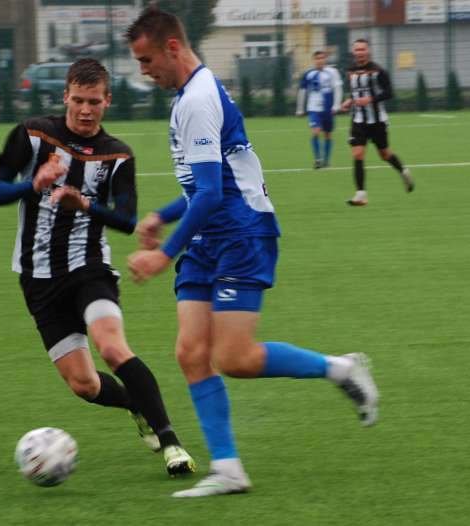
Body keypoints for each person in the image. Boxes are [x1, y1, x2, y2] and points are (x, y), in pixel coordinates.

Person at [125, 7, 379, 498]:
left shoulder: (197, 99)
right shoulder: (188, 96)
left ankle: (342, 368)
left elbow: (215, 194)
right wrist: (162, 214)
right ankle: (229, 469)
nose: (144, 70)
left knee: (234, 357)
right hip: (210, 234)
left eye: (146, 58)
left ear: (172, 47)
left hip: (241, 233)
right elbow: (206, 186)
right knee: (191, 352)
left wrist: (164, 252)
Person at [0, 58, 195, 477]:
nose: (85, 110)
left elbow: (127, 219)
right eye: (78, 100)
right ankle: (136, 405)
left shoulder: (117, 155)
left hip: (89, 268)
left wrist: (86, 205)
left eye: (94, 101)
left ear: (107, 101)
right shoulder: (33, 134)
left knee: (112, 348)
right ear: (65, 97)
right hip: (37, 277)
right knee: (85, 385)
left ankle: (172, 444)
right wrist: (33, 184)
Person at [340, 39, 414, 206]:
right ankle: (360, 194)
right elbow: (355, 92)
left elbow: (389, 93)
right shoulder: (350, 71)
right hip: (358, 120)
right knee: (357, 154)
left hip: (377, 121)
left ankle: (404, 172)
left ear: (368, 51)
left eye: (362, 49)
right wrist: (349, 101)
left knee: (385, 154)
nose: (359, 52)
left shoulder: (378, 71)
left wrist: (371, 99)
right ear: (354, 52)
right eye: (357, 49)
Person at [296, 50, 342, 169]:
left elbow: (337, 88)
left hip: (328, 108)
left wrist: (336, 105)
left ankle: (326, 161)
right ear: (314, 60)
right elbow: (302, 91)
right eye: (317, 58)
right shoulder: (309, 74)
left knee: (327, 134)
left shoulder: (332, 72)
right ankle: (317, 159)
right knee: (315, 132)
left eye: (322, 58)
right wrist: (300, 109)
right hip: (313, 108)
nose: (319, 60)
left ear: (325, 59)